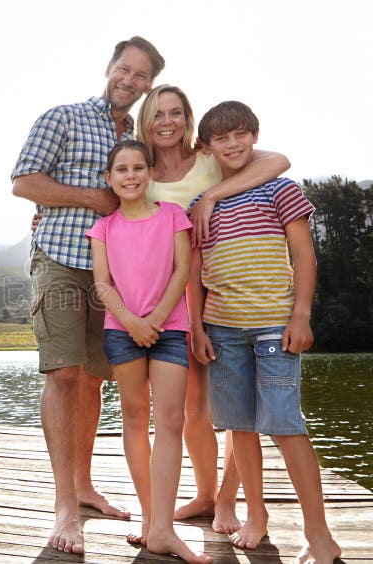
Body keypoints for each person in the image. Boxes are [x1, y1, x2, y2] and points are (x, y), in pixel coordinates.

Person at [10, 36, 164, 554]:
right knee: (64, 373)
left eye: (141, 76)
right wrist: (89, 199)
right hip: (58, 258)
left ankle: (83, 484)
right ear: (109, 68)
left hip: (115, 272)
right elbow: (24, 181)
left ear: (148, 86)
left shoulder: (142, 135)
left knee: (95, 379)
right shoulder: (64, 116)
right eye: (125, 69)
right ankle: (64, 507)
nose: (130, 80)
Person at [189, 101, 342, 563]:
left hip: (275, 324)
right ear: (207, 147)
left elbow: (304, 255)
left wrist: (301, 313)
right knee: (239, 427)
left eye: (240, 134)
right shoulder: (200, 206)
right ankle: (256, 516)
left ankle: (319, 535)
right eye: (221, 138)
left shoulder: (280, 190)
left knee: (286, 426)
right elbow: (196, 272)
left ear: (255, 135)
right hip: (223, 330)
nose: (232, 144)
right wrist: (196, 328)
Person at [135, 84, 291, 532]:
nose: (167, 121)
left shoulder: (209, 160)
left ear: (188, 120)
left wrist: (213, 195)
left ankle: (225, 500)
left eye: (177, 112)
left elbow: (278, 162)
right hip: (167, 298)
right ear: (147, 121)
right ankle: (205, 495)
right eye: (158, 114)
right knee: (191, 410)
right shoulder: (143, 172)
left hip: (221, 294)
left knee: (229, 405)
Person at [87, 140, 212, 564]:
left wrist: (155, 319)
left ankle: (163, 528)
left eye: (138, 167)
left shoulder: (173, 216)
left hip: (171, 329)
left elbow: (182, 270)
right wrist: (132, 322)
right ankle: (149, 520)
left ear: (150, 173)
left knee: (171, 419)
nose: (130, 175)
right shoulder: (104, 227)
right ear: (109, 178)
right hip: (121, 331)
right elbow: (103, 284)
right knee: (135, 416)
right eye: (121, 169)